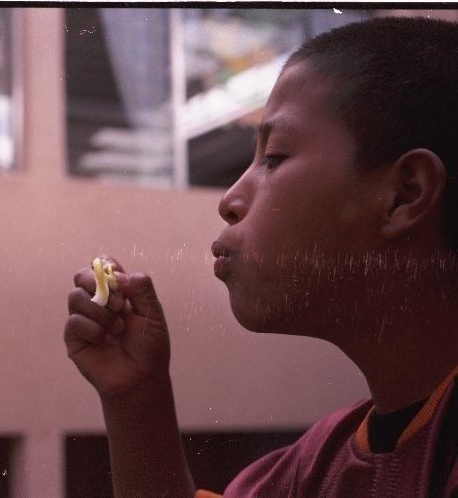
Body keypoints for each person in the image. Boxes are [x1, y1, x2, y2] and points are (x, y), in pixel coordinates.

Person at [64, 16, 458, 497]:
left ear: (405, 193)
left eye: (273, 158)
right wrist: (135, 398)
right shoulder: (316, 465)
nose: (229, 200)